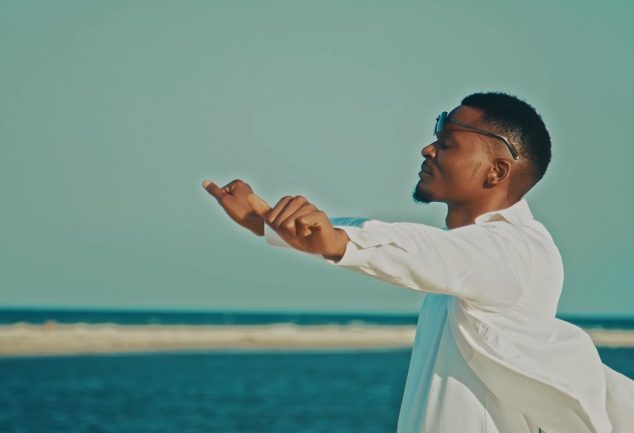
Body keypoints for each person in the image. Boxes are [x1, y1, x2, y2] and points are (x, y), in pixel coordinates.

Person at [202, 92, 634, 433]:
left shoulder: (516, 251)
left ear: (497, 171)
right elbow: (411, 244)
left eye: (447, 143)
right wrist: (268, 223)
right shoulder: (467, 252)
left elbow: (418, 249)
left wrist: (334, 242)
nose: (427, 149)